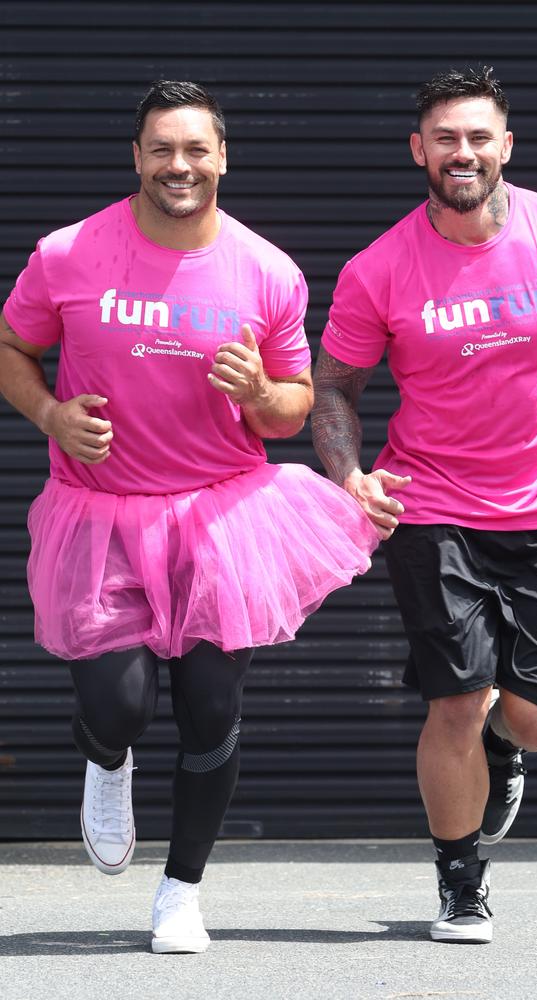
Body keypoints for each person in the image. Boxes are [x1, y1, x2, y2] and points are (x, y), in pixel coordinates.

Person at [0, 80, 377, 954]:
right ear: (135, 157)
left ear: (222, 159)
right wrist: (51, 415)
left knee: (210, 709)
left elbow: (292, 406)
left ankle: (181, 891)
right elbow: (13, 348)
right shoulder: (68, 254)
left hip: (220, 516)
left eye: (196, 149)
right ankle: (107, 760)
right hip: (101, 515)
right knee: (121, 705)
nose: (180, 165)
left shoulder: (267, 270)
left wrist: (260, 394)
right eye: (162, 149)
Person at [311, 66, 537, 944]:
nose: (462, 153)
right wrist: (350, 475)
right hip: (434, 507)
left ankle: (505, 750)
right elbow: (335, 385)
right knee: (455, 700)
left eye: (478, 137)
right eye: (444, 139)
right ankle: (461, 883)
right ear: (419, 150)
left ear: (505, 145)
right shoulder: (379, 267)